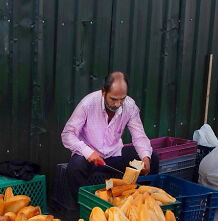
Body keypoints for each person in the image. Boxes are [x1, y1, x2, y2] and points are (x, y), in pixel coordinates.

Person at [61, 71, 159, 204]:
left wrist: (145, 157)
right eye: (113, 99)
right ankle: (83, 208)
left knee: (152, 157)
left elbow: (139, 136)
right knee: (75, 166)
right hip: (90, 157)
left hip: (114, 155)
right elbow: (67, 134)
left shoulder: (129, 106)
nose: (118, 104)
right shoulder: (88, 104)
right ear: (103, 92)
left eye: (122, 99)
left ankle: (141, 202)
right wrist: (88, 153)